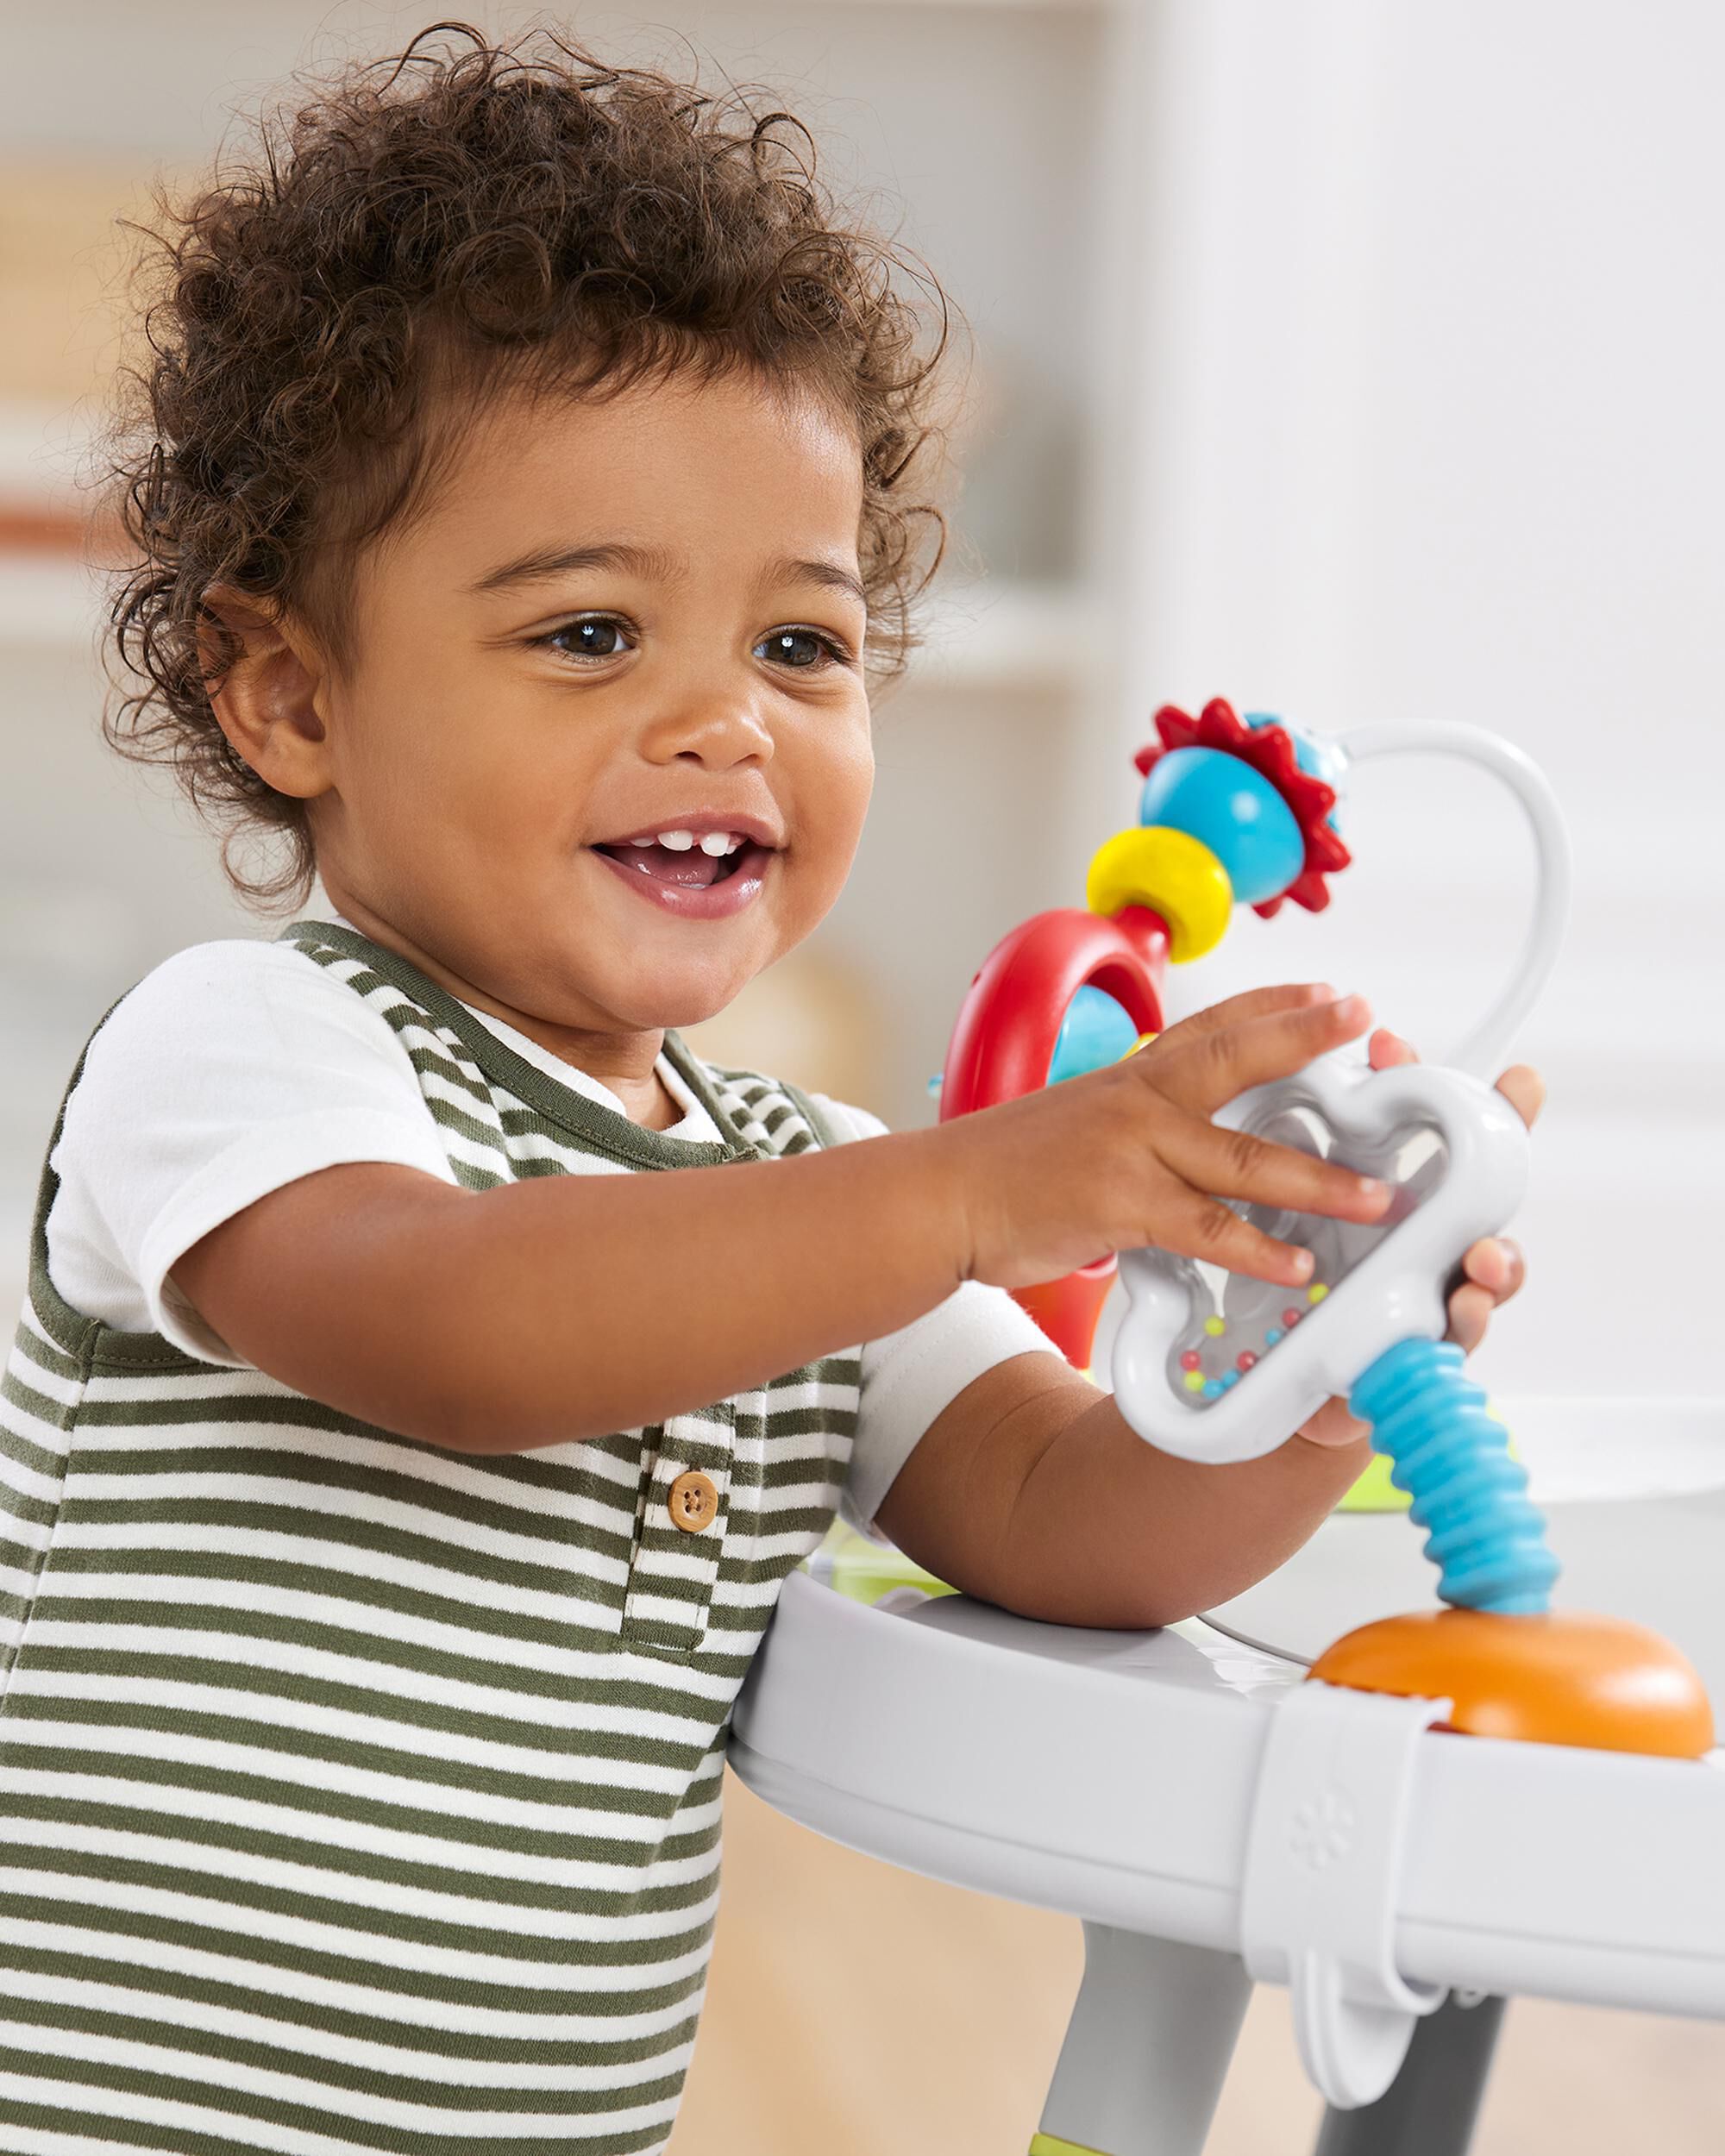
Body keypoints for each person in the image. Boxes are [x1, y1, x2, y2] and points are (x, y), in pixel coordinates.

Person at [0, 25, 1539, 2154]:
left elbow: (1071, 1520)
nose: (727, 722)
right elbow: (448, 1323)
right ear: (292, 693)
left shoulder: (811, 1191)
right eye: (588, 635)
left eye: (801, 648)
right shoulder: (251, 1048)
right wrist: (979, 1191)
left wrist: (1321, 1361)